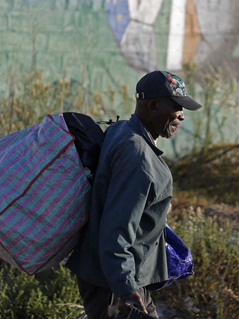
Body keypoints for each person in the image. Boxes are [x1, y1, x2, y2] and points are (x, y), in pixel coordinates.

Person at [67, 70, 202, 318]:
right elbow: (117, 228)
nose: (182, 115)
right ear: (152, 105)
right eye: (176, 107)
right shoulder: (138, 157)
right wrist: (126, 290)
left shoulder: (122, 130)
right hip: (113, 279)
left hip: (115, 273)